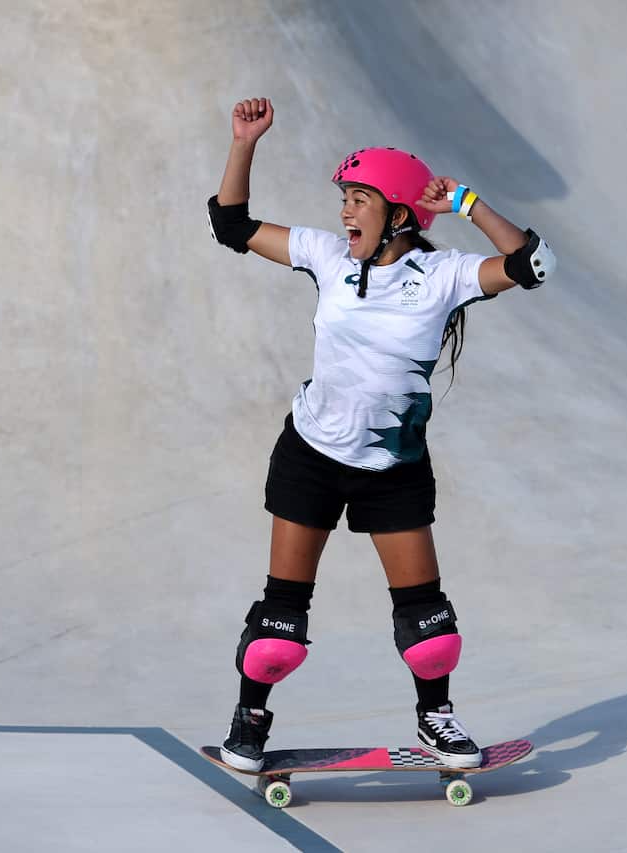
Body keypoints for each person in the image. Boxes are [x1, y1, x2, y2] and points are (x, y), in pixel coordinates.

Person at [207, 97, 556, 771]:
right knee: (280, 626)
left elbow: (530, 265)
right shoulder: (325, 255)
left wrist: (468, 200)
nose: (345, 213)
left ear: (398, 213)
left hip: (394, 466)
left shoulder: (444, 275)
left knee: (430, 631)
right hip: (310, 456)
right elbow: (231, 225)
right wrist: (244, 143)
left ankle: (436, 718)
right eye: (345, 199)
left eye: (360, 199)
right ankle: (250, 718)